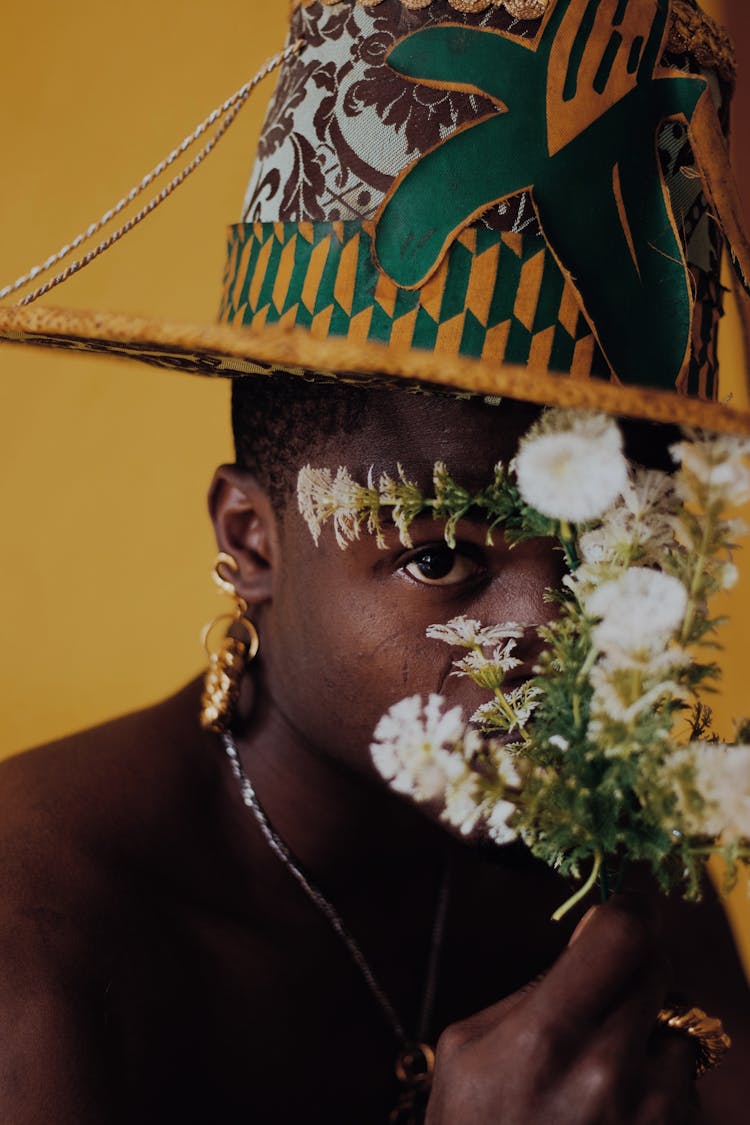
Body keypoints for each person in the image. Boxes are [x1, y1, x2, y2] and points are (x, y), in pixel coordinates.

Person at [0, 1, 748, 1122]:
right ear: (251, 542)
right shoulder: (40, 938)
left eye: (614, 545)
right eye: (442, 556)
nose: (557, 638)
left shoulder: (622, 868)